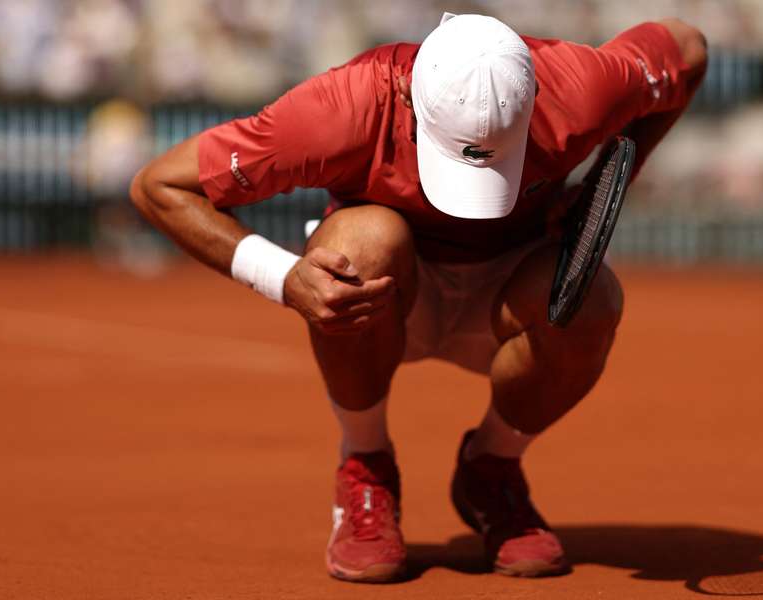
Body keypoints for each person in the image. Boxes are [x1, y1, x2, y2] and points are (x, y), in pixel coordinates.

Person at [130, 12, 706, 583]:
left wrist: (608, 181)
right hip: (381, 300)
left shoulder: (580, 86)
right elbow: (160, 185)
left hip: (509, 290)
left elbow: (688, 47)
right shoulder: (342, 108)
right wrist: (284, 277)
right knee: (362, 244)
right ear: (408, 98)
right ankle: (365, 463)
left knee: (596, 299)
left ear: (533, 97)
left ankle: (492, 469)